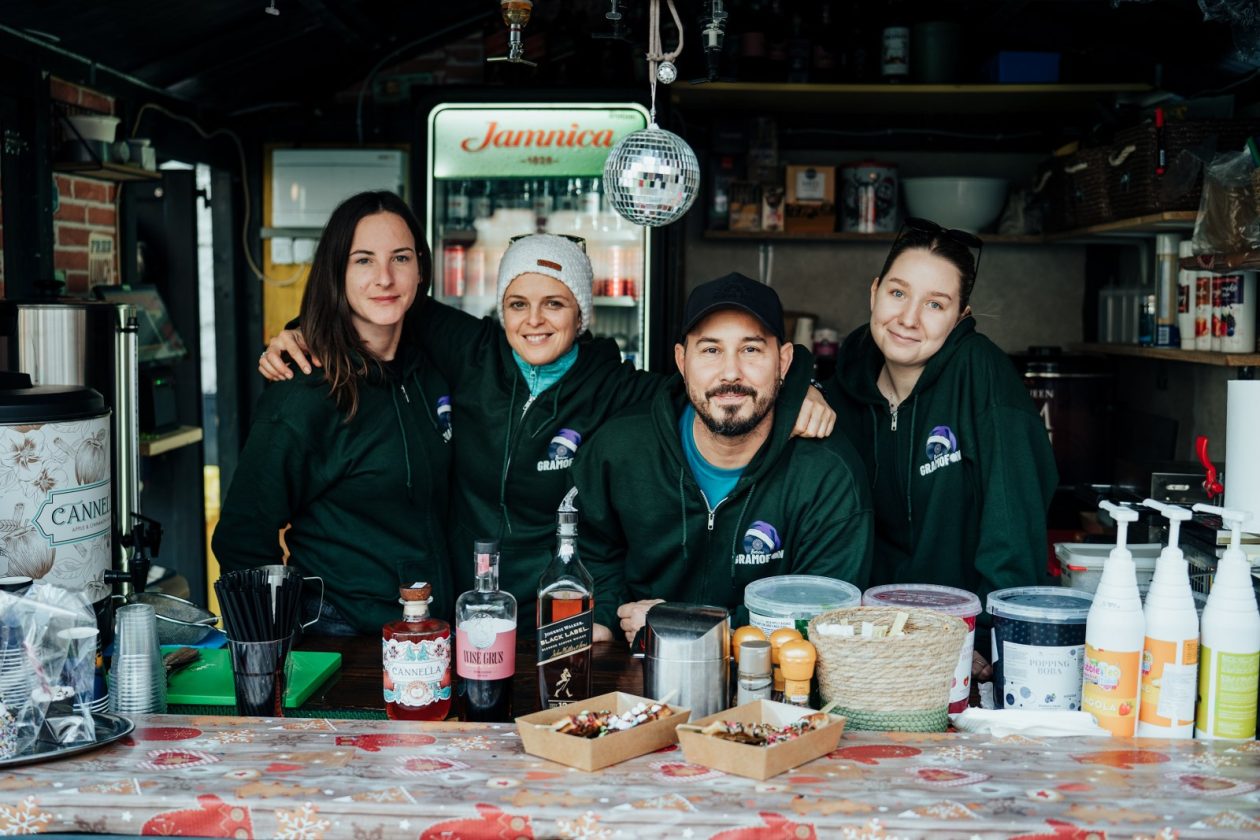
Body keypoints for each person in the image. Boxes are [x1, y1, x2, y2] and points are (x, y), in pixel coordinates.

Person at [259, 235, 836, 632]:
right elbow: (380, 304)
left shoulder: (612, 385)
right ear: (501, 310)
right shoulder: (472, 351)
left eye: (554, 303)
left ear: (581, 314)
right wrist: (298, 333)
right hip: (467, 602)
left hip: (557, 608)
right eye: (518, 303)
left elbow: (710, 387)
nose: (534, 319)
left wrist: (795, 389)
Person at [572, 272, 874, 643]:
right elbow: (591, 551)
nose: (731, 372)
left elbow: (826, 609)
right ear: (682, 361)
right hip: (637, 674)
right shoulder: (620, 449)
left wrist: (688, 626)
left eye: (751, 349)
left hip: (773, 682)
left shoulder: (827, 473)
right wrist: (604, 613)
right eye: (711, 350)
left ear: (784, 361)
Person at [213, 191, 453, 634]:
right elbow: (242, 537)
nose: (384, 277)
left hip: (425, 634)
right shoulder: (305, 393)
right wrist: (275, 654)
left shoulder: (428, 371)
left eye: (400, 258)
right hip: (341, 637)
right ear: (336, 272)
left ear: (420, 268)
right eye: (363, 260)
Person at [823, 216, 1057, 623]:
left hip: (962, 635)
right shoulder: (845, 385)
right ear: (875, 292)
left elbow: (1014, 528)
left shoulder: (981, 374)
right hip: (871, 635)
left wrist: (986, 634)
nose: (909, 319)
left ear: (960, 316)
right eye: (898, 293)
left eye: (935, 304)